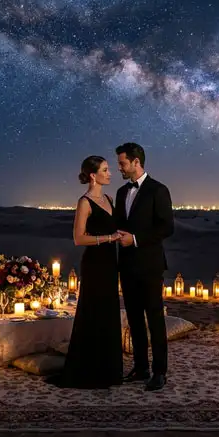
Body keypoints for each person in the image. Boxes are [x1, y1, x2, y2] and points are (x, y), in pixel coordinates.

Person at [49, 156, 124, 389]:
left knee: (108, 311)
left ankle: (108, 370)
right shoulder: (84, 202)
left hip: (111, 262)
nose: (110, 173)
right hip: (94, 264)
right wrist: (109, 238)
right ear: (93, 175)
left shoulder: (109, 199)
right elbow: (78, 238)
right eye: (105, 170)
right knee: (93, 311)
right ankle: (89, 370)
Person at [113, 143, 175, 391]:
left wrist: (136, 239)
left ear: (136, 162)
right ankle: (141, 368)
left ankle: (160, 372)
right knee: (134, 319)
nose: (119, 168)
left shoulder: (158, 190)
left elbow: (167, 227)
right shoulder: (121, 192)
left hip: (150, 266)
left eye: (122, 163)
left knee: (155, 319)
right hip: (127, 265)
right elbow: (119, 223)